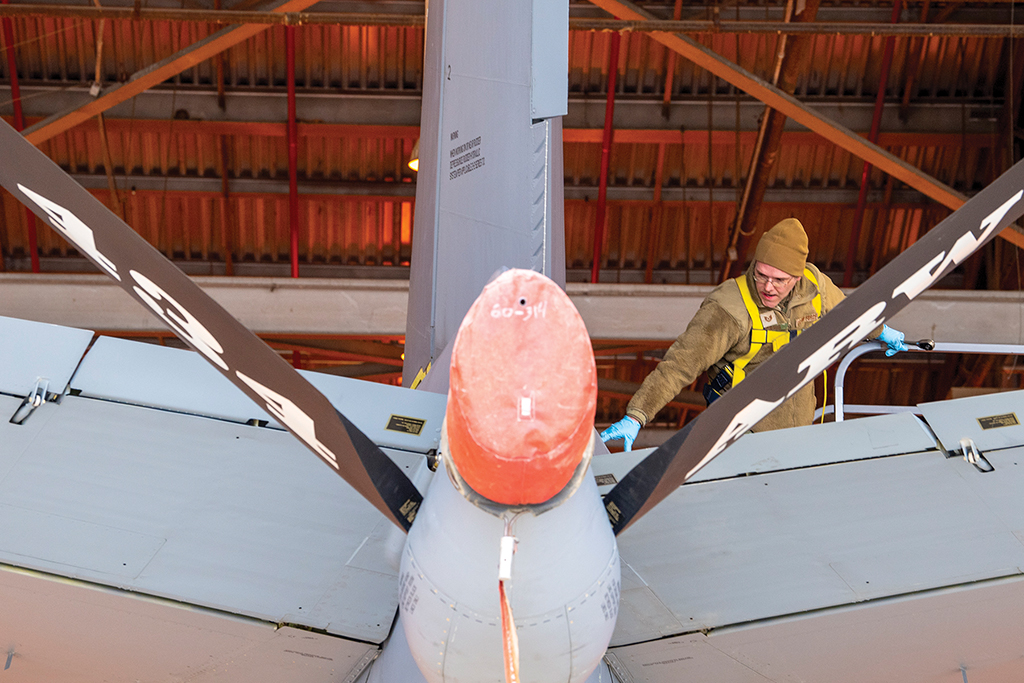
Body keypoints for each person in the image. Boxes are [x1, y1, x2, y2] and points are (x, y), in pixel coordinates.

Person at [600, 217, 909, 451]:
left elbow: (850, 313)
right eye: (761, 274)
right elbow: (680, 365)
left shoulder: (816, 288)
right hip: (740, 430)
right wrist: (637, 415)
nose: (768, 286)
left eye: (779, 279)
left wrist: (880, 330)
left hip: (797, 428)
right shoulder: (729, 308)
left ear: (797, 275)